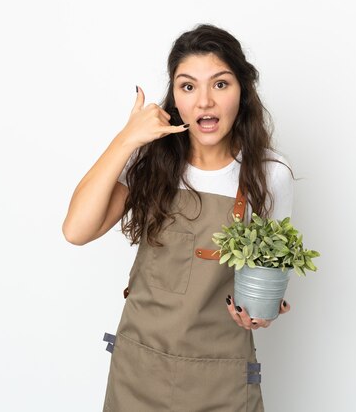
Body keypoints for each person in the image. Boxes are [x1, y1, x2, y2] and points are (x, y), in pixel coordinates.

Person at [62, 23, 295, 411]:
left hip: (220, 380)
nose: (204, 101)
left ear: (243, 90)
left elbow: (268, 281)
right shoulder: (150, 159)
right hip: (138, 372)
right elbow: (76, 230)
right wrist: (127, 139)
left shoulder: (270, 174)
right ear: (173, 96)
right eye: (188, 86)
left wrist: (264, 311)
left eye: (220, 84)